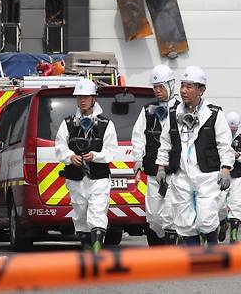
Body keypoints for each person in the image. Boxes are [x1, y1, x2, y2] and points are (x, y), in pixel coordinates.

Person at [155, 66, 235, 245]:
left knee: (206, 220)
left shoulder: (214, 114)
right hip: (181, 176)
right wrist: (161, 167)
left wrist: (226, 169)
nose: (183, 90)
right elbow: (165, 143)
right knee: (184, 222)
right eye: (182, 86)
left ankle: (213, 249)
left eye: (189, 86)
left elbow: (224, 144)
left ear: (201, 89)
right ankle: (196, 260)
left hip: (206, 176)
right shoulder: (173, 113)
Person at [55, 78, 118, 253]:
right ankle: (86, 250)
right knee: (80, 214)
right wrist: (70, 156)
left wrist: (95, 156)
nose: (82, 100)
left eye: (86, 96)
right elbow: (59, 146)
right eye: (79, 97)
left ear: (94, 98)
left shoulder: (106, 124)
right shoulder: (68, 123)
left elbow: (112, 150)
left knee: (97, 212)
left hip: (99, 177)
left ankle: (97, 251)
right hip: (76, 177)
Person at [131, 65, 179, 246]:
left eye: (161, 87)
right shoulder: (147, 111)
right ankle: (160, 238)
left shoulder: (181, 110)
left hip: (174, 171)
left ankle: (171, 250)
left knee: (171, 212)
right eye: (155, 87)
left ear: (170, 85)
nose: (157, 91)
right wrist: (137, 159)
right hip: (152, 170)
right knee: (153, 215)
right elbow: (138, 136)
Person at [217, 111, 241, 244]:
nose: (232, 131)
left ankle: (234, 236)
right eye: (230, 128)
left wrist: (238, 155)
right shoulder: (219, 138)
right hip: (222, 176)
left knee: (236, 204)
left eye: (234, 129)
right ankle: (223, 223)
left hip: (238, 177)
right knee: (219, 205)